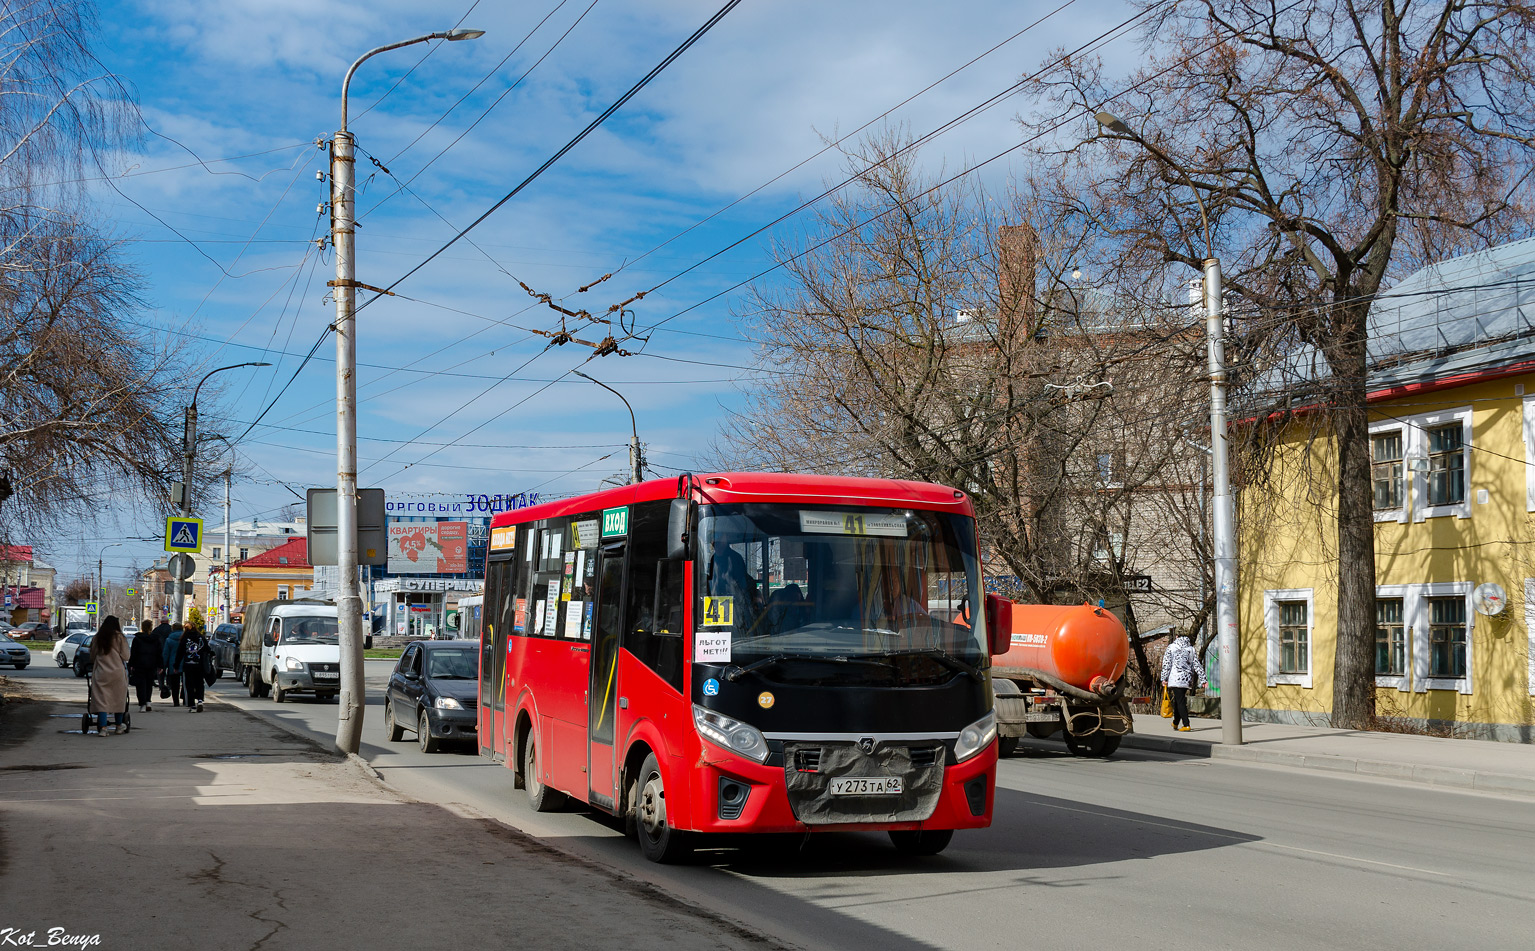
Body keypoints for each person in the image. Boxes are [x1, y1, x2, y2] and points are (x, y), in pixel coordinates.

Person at [87, 615, 130, 735]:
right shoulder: (120, 638)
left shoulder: (98, 637)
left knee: (102, 699)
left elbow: (92, 655)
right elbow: (126, 656)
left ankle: (103, 728)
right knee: (118, 698)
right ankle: (118, 726)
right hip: (117, 673)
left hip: (101, 672)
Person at [1160, 633, 1208, 732]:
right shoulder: (1191, 649)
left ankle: (1186, 724)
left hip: (1175, 678)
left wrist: (1164, 678)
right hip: (1187, 679)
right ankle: (1175, 723)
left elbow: (1167, 664)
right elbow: (1197, 665)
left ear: (1177, 636)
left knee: (1180, 702)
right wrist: (1203, 679)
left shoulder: (1171, 647)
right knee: (1178, 700)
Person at [173, 622, 210, 713]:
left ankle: (192, 705)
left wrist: (176, 666)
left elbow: (180, 653)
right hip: (199, 665)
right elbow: (208, 649)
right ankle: (200, 700)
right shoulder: (201, 637)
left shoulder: (184, 638)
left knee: (189, 685)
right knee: (200, 683)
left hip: (188, 665)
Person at [127, 619, 160, 712]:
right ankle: (148, 701)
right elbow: (159, 653)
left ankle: (142, 705)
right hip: (151, 664)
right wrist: (160, 665)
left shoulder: (137, 639)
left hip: (139, 664)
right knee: (149, 684)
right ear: (151, 627)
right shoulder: (155, 639)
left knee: (140, 685)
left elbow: (133, 653)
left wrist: (131, 665)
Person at [160, 621, 185, 707]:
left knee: (175, 684)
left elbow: (166, 654)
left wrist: (163, 666)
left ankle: (176, 701)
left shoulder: (169, 639)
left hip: (173, 664)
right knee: (185, 682)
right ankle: (185, 699)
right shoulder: (185, 638)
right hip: (185, 663)